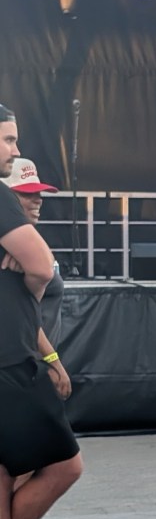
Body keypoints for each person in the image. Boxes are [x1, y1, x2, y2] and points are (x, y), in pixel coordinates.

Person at [0, 103, 83, 519]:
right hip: (13, 365)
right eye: (8, 140)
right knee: (58, 465)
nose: (36, 200)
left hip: (20, 361)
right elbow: (38, 271)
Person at [1, 158, 72, 493]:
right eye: (27, 194)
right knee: (35, 469)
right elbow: (26, 317)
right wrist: (52, 361)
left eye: (39, 192)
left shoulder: (27, 247)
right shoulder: (11, 256)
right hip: (23, 368)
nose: (38, 199)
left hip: (31, 367)